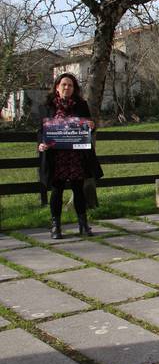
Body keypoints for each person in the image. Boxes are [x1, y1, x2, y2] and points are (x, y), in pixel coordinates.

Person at [38, 73, 103, 239]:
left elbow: (89, 126)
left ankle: (83, 225)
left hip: (76, 155)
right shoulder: (48, 105)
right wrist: (41, 143)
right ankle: (56, 226)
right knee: (57, 190)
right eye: (64, 84)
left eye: (70, 85)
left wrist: (91, 125)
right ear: (57, 87)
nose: (67, 88)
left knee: (78, 189)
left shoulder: (81, 105)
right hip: (56, 156)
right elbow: (41, 130)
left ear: (74, 88)